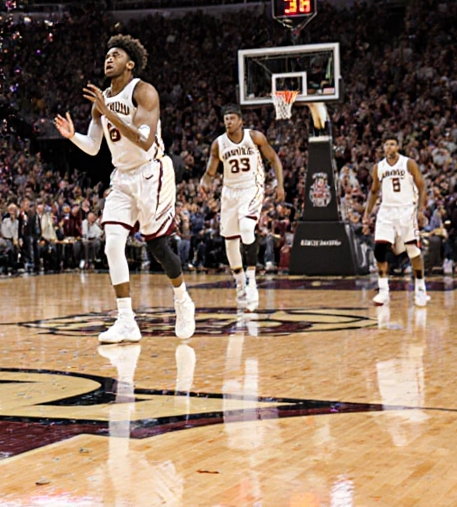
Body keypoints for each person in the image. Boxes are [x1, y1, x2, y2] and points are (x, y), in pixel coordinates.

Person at [54, 35, 195, 343]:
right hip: (122, 176)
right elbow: (92, 147)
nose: (108, 59)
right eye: (106, 55)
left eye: (115, 55)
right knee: (112, 243)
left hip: (151, 171)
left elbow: (144, 140)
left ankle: (182, 300)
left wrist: (107, 111)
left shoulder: (143, 91)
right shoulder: (102, 100)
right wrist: (71, 136)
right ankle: (126, 320)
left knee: (158, 246)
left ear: (129, 64)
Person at [200, 105, 286, 310]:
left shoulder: (254, 137)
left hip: (251, 187)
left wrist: (280, 184)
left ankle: (252, 280)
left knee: (247, 228)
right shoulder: (218, 144)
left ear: (240, 121)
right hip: (230, 192)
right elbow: (210, 172)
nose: (228, 122)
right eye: (225, 119)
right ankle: (240, 285)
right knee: (230, 242)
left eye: (231, 118)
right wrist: (205, 181)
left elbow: (274, 159)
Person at [362, 135, 428, 306]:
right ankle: (383, 291)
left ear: (398, 147)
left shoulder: (408, 163)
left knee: (413, 250)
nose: (389, 147)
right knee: (379, 250)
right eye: (386, 144)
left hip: (406, 209)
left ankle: (420, 289)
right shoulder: (379, 167)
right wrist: (367, 213)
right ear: (383, 148)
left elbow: (421, 186)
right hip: (386, 211)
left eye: (392, 144)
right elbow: (375, 191)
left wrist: (420, 210)